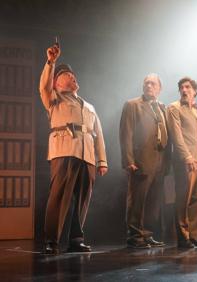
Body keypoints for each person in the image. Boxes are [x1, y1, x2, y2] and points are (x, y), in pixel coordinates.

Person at [39, 43, 108, 254]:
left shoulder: (89, 106)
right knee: (59, 197)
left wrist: (102, 160)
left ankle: (76, 239)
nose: (73, 76)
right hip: (64, 150)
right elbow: (43, 87)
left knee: (83, 198)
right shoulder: (53, 99)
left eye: (73, 74)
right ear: (57, 82)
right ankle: (52, 240)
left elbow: (99, 134)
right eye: (67, 74)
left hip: (86, 154)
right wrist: (51, 62)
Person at [119, 74, 169, 248]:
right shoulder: (133, 105)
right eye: (146, 83)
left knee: (153, 200)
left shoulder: (162, 107)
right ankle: (135, 236)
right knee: (137, 199)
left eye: (152, 83)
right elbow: (126, 134)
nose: (149, 85)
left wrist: (167, 162)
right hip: (141, 159)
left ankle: (147, 233)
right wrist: (128, 160)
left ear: (159, 88)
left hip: (160, 160)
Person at [167, 77, 197, 248]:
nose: (184, 90)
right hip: (185, 160)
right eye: (182, 88)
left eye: (188, 87)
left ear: (195, 91)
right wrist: (187, 157)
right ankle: (182, 237)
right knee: (183, 198)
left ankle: (193, 235)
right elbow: (176, 136)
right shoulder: (174, 108)